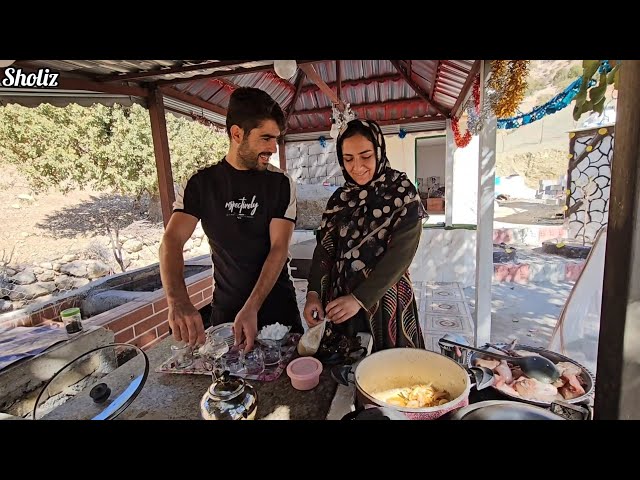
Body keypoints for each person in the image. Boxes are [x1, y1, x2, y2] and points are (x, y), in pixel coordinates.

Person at [159, 87, 303, 352]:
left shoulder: (280, 184)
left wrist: (252, 307)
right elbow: (172, 240)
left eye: (276, 139)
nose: (273, 147)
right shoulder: (201, 184)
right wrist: (177, 301)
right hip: (226, 314)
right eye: (266, 138)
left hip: (278, 310)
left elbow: (278, 248)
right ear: (237, 134)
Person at [303, 119, 426, 352]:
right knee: (343, 370)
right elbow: (325, 250)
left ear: (379, 152)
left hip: (384, 301)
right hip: (340, 304)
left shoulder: (402, 193)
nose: (357, 166)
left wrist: (359, 299)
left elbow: (400, 256)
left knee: (389, 376)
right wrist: (313, 294)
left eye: (366, 156)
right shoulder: (340, 199)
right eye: (348, 159)